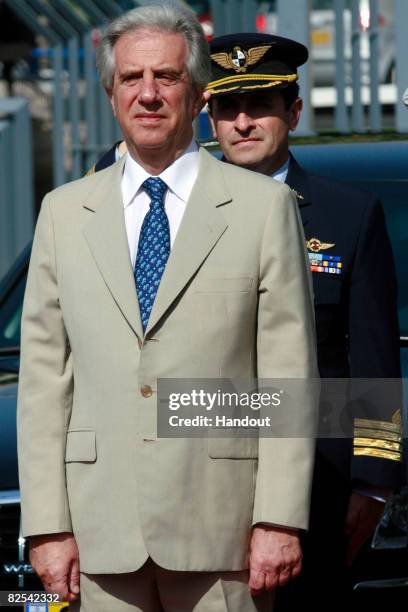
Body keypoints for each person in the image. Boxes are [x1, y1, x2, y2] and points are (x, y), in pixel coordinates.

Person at [17, 7, 318, 612]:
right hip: (98, 541)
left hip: (224, 535)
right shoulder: (62, 213)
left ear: (198, 92)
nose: (148, 94)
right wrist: (47, 526)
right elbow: (44, 381)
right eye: (131, 78)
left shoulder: (264, 208)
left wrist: (279, 520)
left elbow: (285, 378)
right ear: (110, 93)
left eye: (166, 76)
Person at [204, 32, 403, 610]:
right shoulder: (176, 215)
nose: (243, 123)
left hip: (317, 490)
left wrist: (372, 481)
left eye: (259, 106)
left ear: (292, 111)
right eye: (227, 109)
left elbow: (372, 360)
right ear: (210, 120)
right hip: (198, 477)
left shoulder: (347, 214)